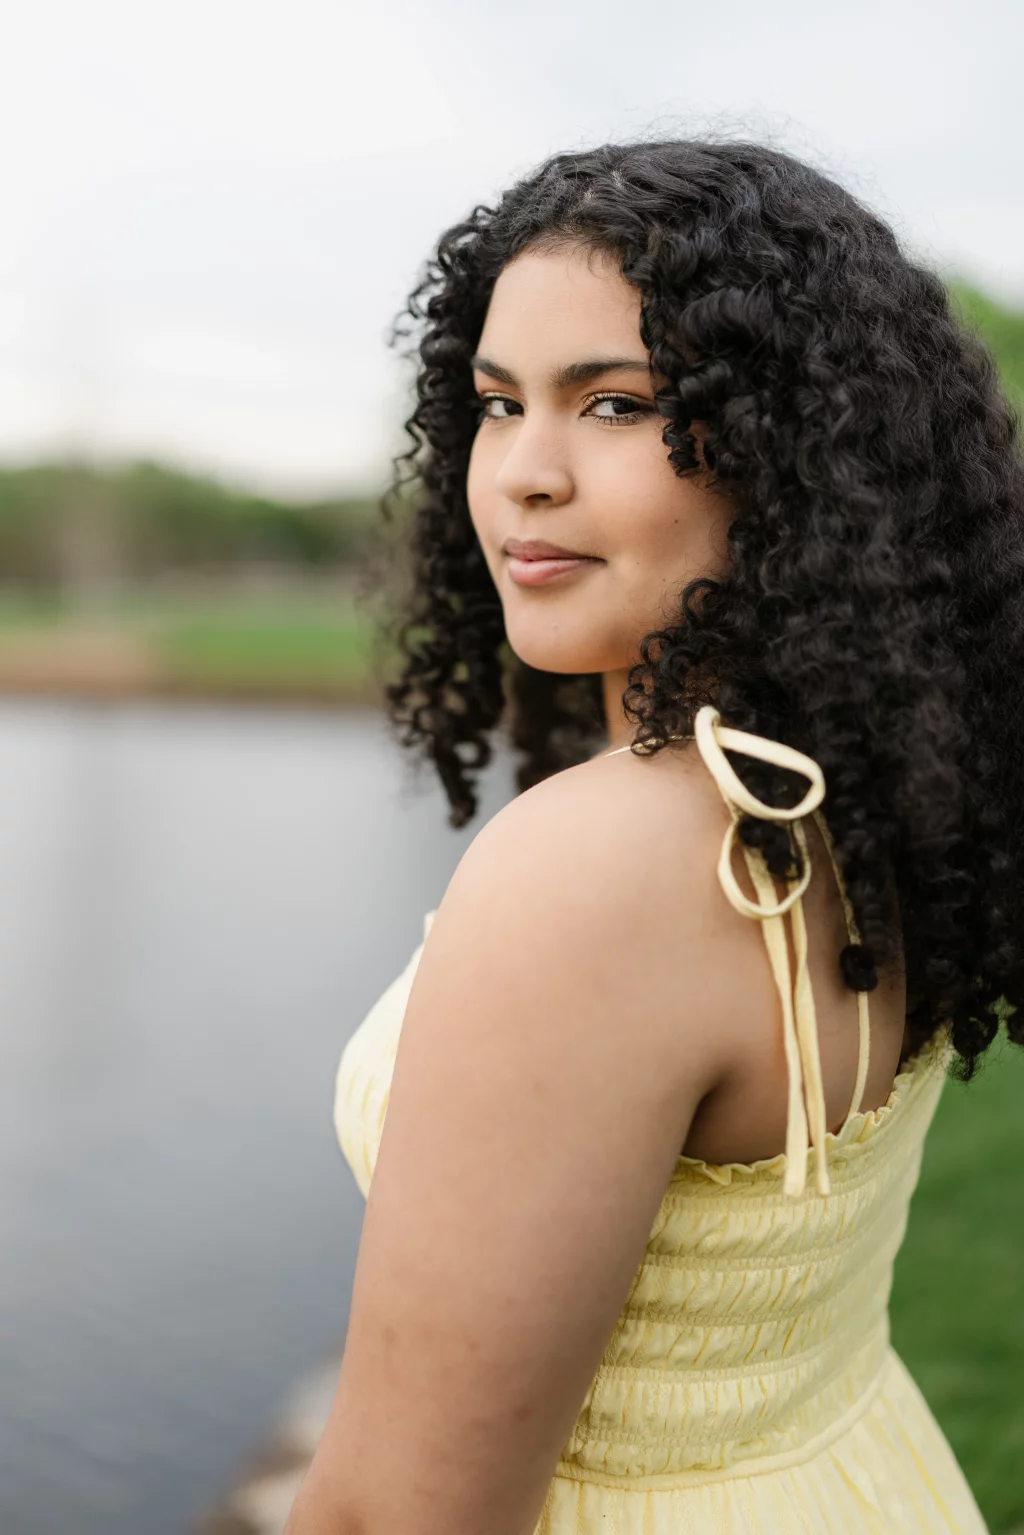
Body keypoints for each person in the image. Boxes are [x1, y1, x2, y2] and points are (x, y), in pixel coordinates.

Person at [285, 139, 1024, 1534]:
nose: (523, 475)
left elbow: (395, 1511)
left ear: (795, 443)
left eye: (615, 404)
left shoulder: (599, 864)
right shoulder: (879, 786)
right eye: (497, 405)